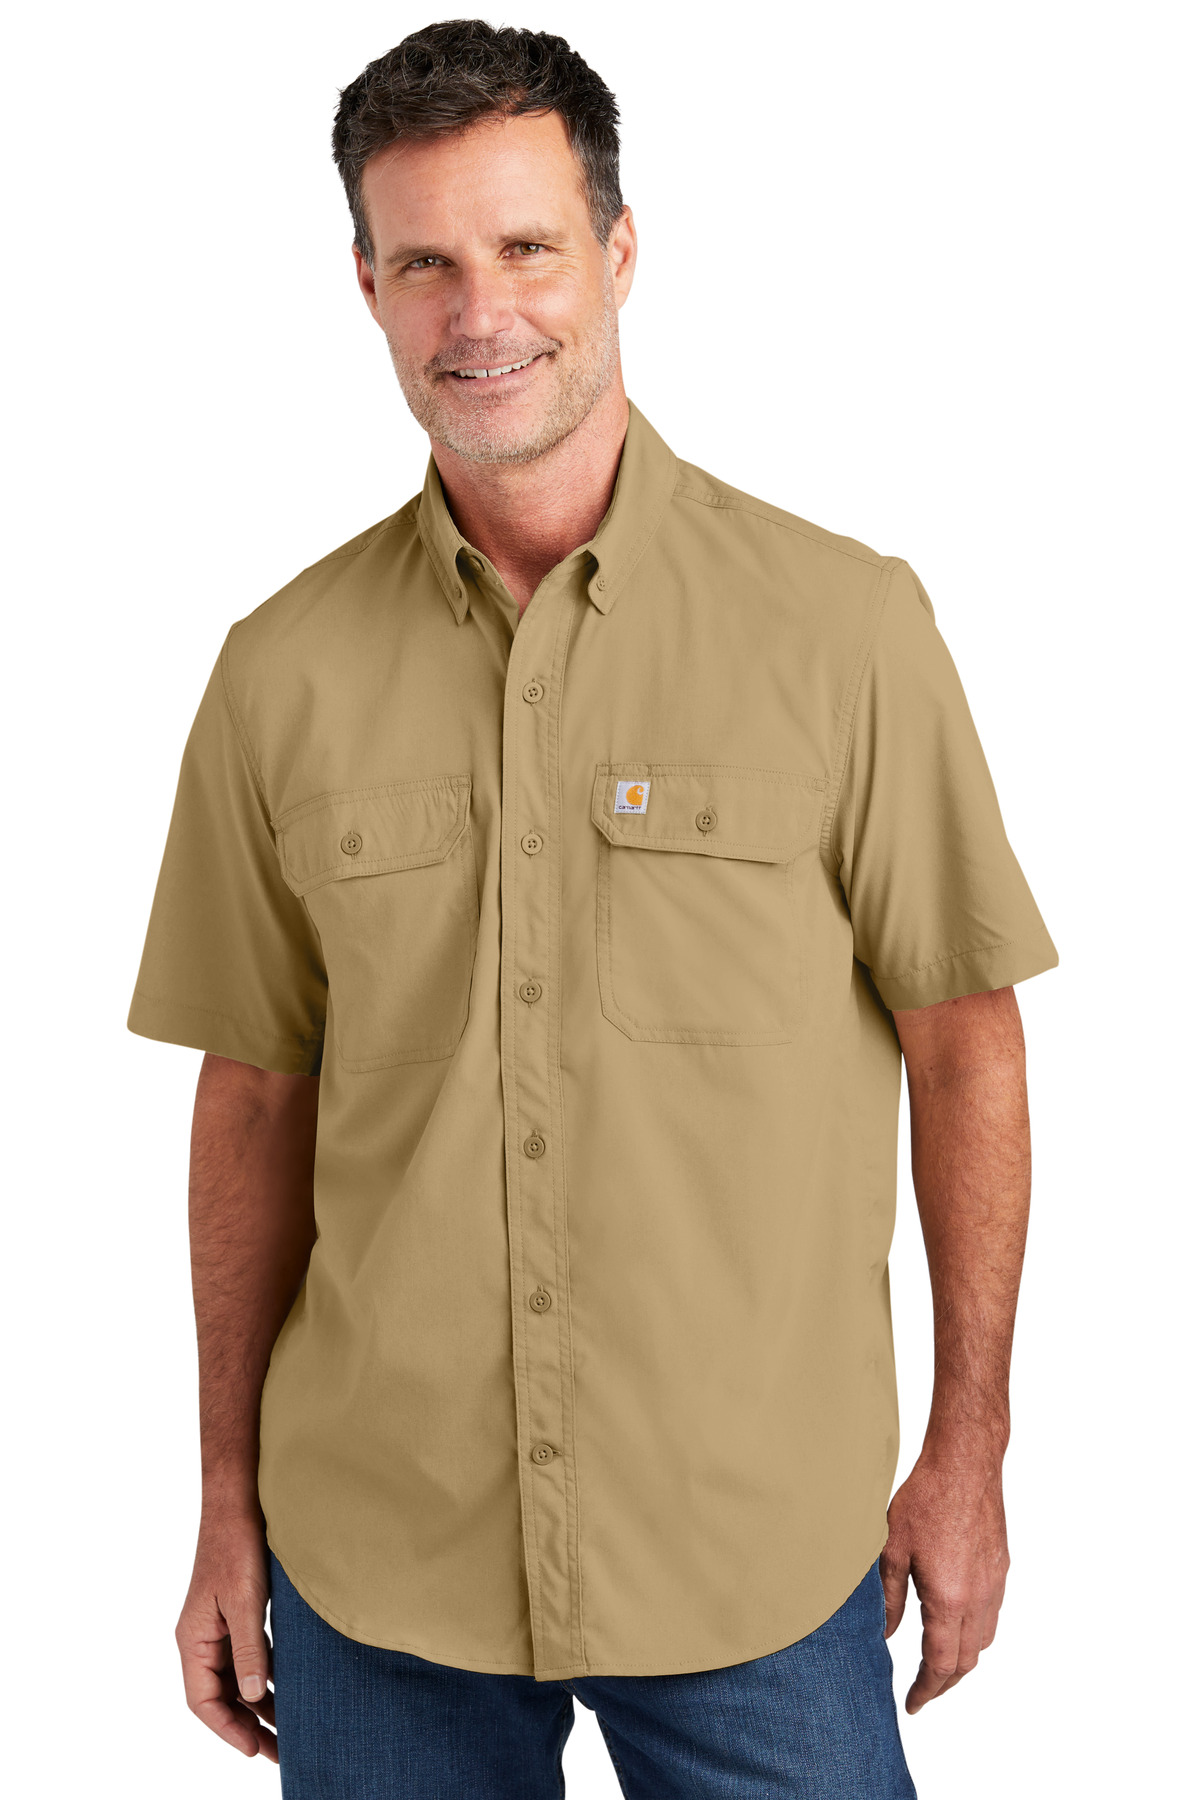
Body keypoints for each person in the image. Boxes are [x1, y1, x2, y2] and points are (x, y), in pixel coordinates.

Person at [127, 20, 1058, 1798]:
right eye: (425, 263)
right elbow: (250, 1097)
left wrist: (973, 1447)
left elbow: (966, 1043)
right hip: (380, 1563)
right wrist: (226, 1499)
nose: (480, 311)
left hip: (755, 1551)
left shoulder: (844, 630)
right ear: (367, 289)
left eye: (526, 246)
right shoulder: (279, 673)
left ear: (620, 253)